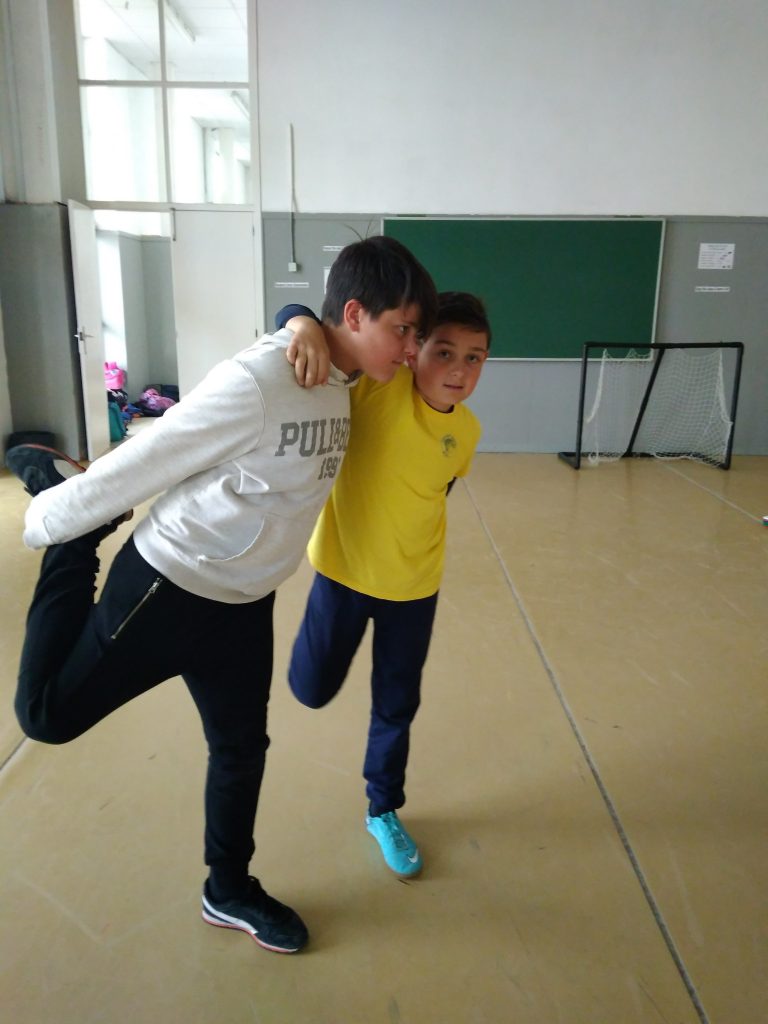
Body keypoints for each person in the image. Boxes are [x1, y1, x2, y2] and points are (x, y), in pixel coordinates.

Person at [4, 236, 437, 955]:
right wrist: (51, 521)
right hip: (170, 583)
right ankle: (74, 543)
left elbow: (314, 323)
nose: (412, 348)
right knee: (47, 716)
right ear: (358, 315)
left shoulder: (351, 377)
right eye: (404, 329)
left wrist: (299, 317)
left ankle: (228, 889)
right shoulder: (259, 381)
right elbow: (151, 457)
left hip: (246, 603)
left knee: (240, 748)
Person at [274, 291, 490, 877]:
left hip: (415, 589)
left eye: (474, 358)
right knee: (310, 689)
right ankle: (312, 672)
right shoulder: (373, 388)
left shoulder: (466, 432)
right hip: (342, 576)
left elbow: (437, 489)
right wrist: (301, 324)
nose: (458, 370)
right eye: (444, 352)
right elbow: (292, 316)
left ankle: (383, 808)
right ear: (414, 349)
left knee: (397, 705)